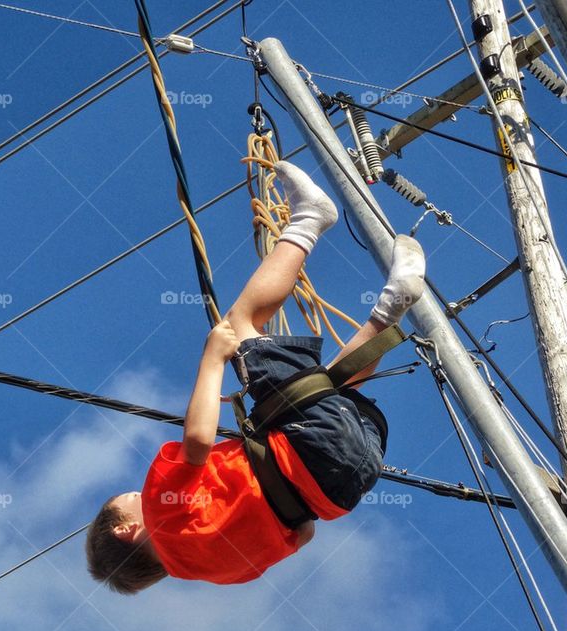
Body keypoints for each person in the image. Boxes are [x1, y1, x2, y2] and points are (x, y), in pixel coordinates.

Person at [85, 161, 425, 594]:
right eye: (132, 498)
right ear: (126, 529)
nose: (140, 494)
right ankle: (310, 219)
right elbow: (197, 443)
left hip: (352, 476)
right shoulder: (160, 512)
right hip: (309, 442)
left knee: (326, 390)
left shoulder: (224, 574)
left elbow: (304, 534)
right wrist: (212, 359)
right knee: (240, 323)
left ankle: (392, 306)